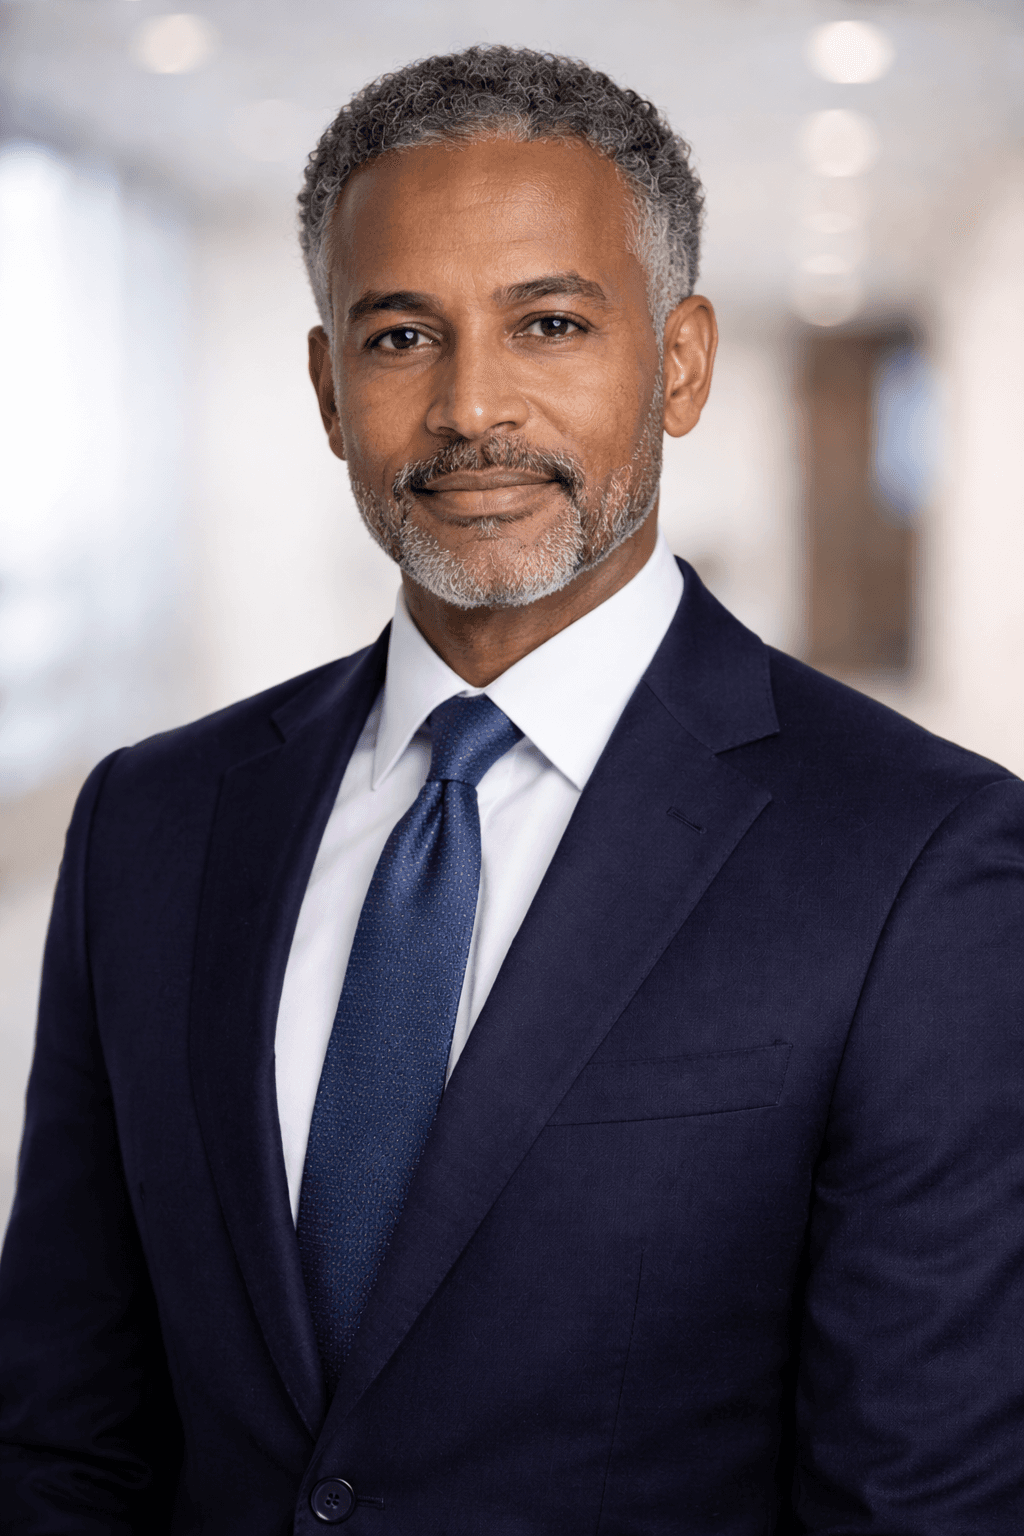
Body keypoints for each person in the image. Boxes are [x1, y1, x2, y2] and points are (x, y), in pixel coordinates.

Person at [1, 44, 1022, 1535]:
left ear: (678, 364)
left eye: (549, 322)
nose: (473, 407)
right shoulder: (152, 823)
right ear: (329, 388)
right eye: (402, 334)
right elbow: (60, 1426)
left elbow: (924, 1502)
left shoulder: (919, 859)